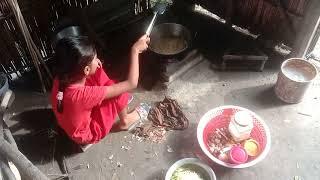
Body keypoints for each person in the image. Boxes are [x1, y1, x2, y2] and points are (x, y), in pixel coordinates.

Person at [51, 35, 150, 148]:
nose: (97, 59)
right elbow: (131, 83)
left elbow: (86, 76)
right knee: (118, 90)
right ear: (86, 69)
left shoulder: (61, 77)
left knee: (98, 71)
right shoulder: (83, 95)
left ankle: (118, 103)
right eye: (94, 57)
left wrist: (92, 62)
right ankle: (125, 121)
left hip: (75, 118)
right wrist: (135, 50)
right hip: (90, 133)